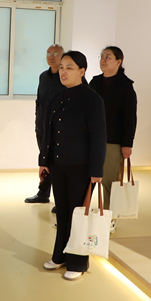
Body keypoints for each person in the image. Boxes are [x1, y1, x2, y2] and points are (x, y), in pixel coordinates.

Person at [38, 51, 106, 281]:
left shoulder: (92, 99)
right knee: (63, 212)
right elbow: (48, 132)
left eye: (69, 67)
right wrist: (44, 161)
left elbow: (98, 138)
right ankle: (60, 255)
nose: (63, 72)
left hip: (82, 168)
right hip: (58, 165)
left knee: (78, 214)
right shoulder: (57, 96)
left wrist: (96, 171)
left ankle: (78, 262)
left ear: (82, 71)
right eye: (62, 67)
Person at [89, 46, 137, 233]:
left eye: (108, 57)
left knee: (109, 182)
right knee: (86, 180)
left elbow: (130, 117)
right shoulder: (95, 82)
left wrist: (127, 144)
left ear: (119, 61)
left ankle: (108, 218)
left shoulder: (125, 86)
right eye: (101, 57)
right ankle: (81, 215)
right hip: (91, 139)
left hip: (113, 141)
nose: (103, 60)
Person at [25, 44, 65, 207]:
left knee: (57, 164)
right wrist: (37, 124)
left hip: (58, 129)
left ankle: (60, 200)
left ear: (62, 56)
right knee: (45, 160)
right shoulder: (43, 76)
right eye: (48, 53)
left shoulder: (65, 77)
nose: (51, 56)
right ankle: (43, 193)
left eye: (55, 53)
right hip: (42, 129)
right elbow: (39, 102)